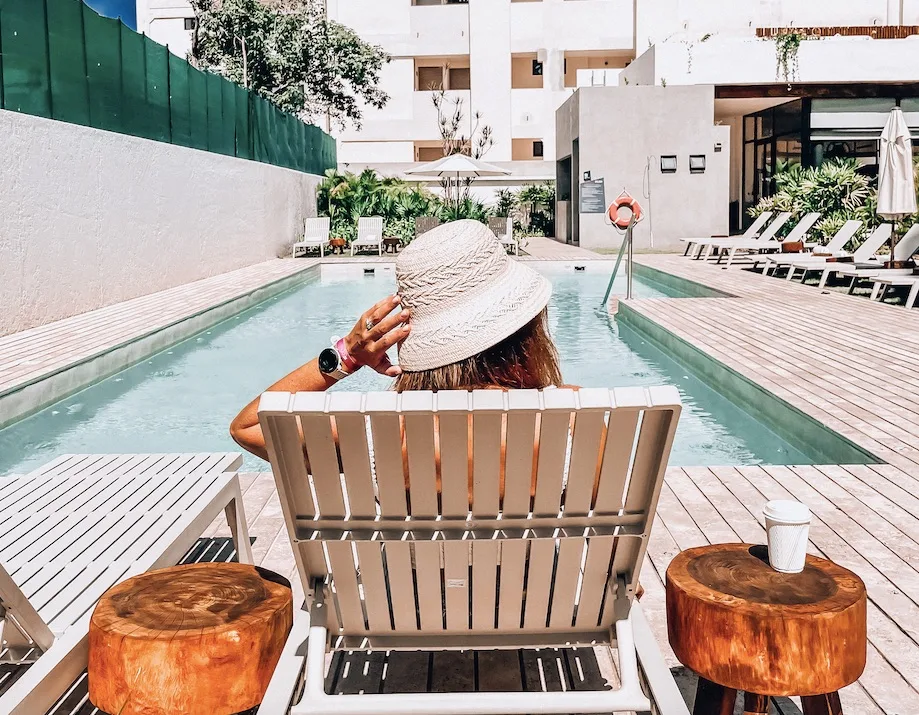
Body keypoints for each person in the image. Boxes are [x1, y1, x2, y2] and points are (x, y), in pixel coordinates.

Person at [230, 219, 563, 466]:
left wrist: (347, 355)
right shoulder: (575, 420)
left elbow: (248, 426)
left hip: (414, 564)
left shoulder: (380, 434)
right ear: (525, 334)